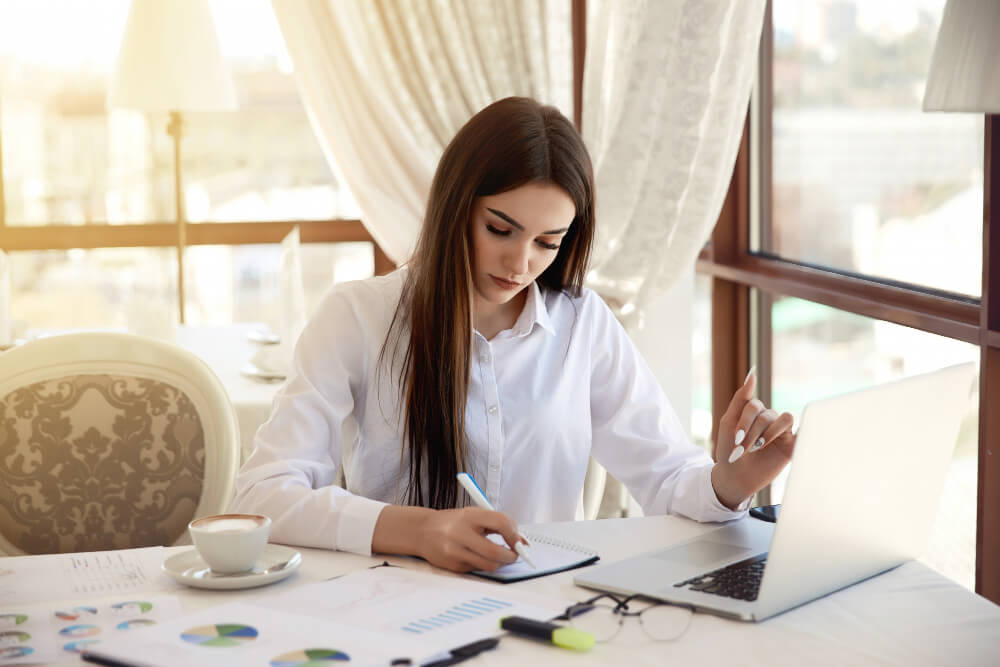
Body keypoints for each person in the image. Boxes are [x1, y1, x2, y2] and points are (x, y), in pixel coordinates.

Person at [230, 96, 795, 573]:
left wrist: (730, 481)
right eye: (500, 228)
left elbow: (671, 478)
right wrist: (419, 531)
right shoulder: (356, 317)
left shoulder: (582, 324)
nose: (520, 262)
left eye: (548, 242)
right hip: (394, 607)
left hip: (551, 611)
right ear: (455, 207)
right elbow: (262, 495)